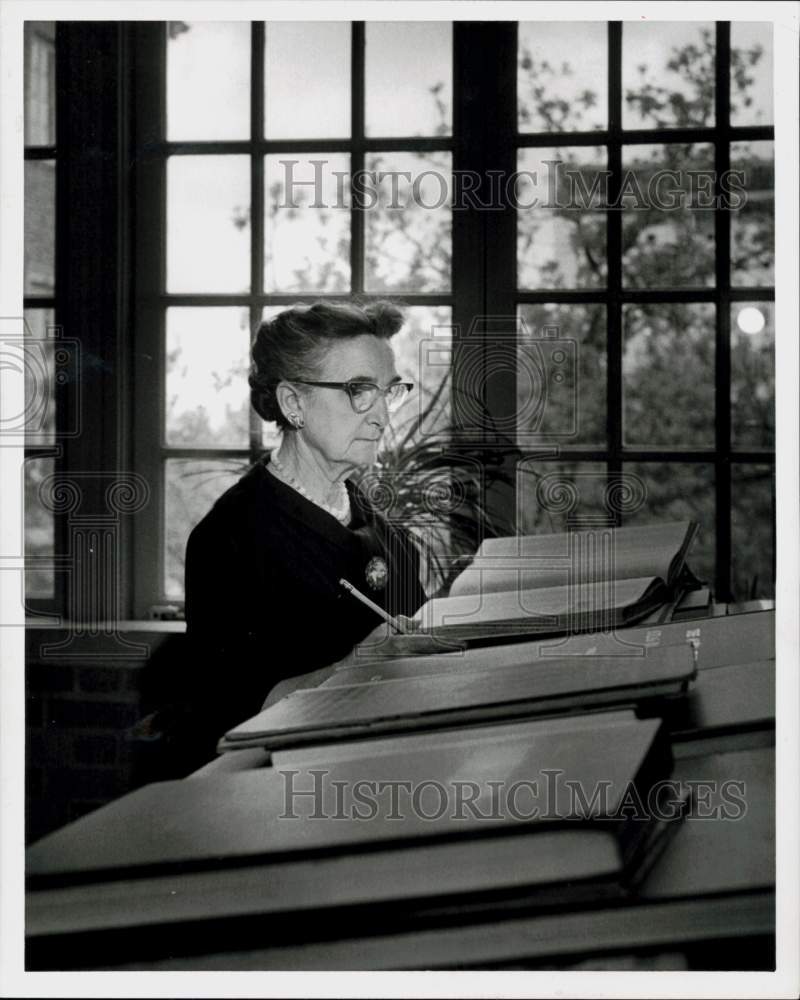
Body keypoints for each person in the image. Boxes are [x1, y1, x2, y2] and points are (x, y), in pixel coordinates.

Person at [177, 300, 427, 763]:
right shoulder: (229, 539)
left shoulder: (381, 528)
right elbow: (225, 726)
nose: (382, 417)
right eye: (358, 390)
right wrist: (357, 666)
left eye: (387, 392)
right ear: (293, 403)